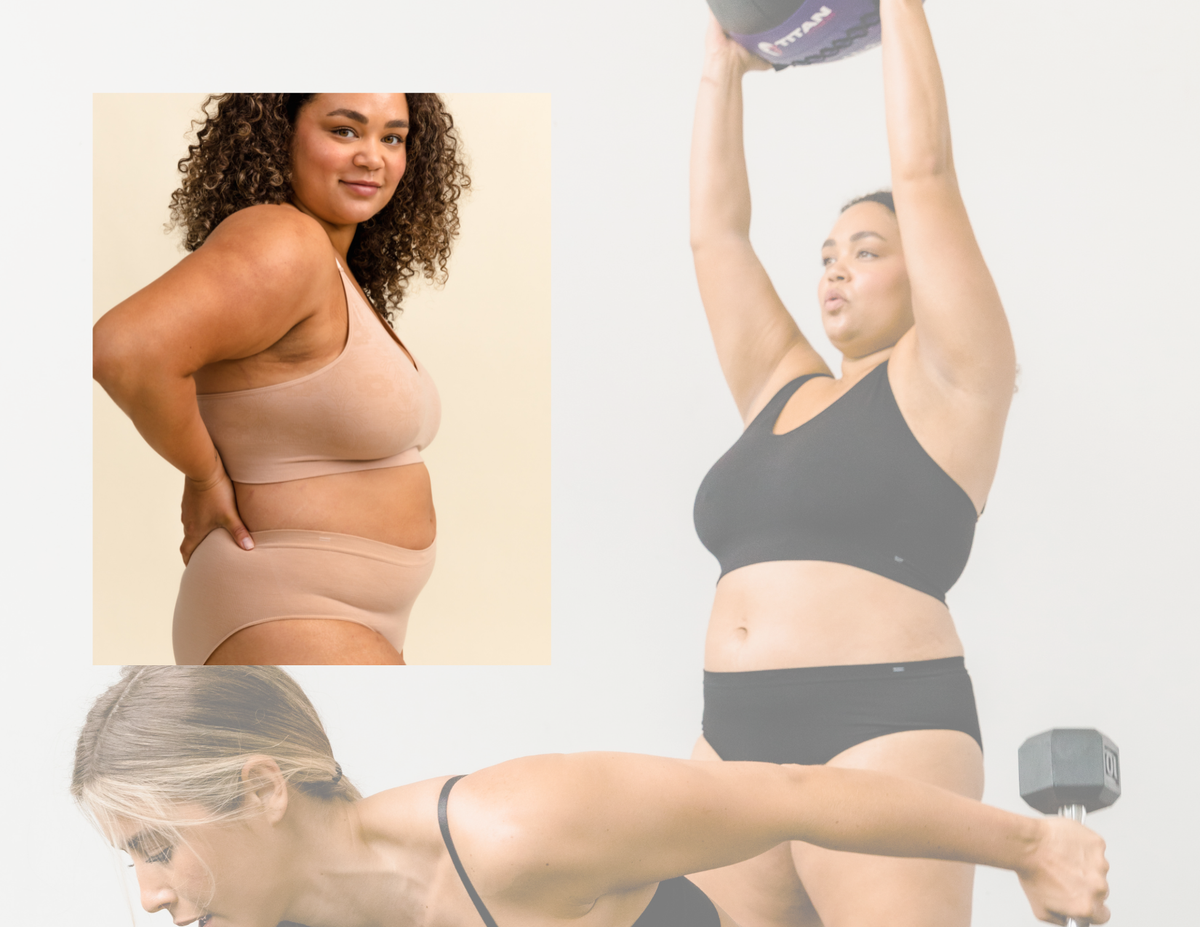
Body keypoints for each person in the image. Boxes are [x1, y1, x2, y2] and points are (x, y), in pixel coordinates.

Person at [687, 2, 1018, 922]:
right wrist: (723, 69)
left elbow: (926, 171)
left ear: (928, 273)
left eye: (867, 251)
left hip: (884, 728)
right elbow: (716, 237)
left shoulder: (955, 378)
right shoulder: (780, 388)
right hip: (731, 741)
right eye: (827, 255)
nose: (835, 270)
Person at [73, 666, 1109, 927]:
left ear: (261, 789)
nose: (151, 896)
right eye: (132, 859)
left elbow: (797, 794)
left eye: (157, 845)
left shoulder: (518, 833)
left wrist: (1028, 848)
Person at [92, 94, 469, 666]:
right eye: (345, 131)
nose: (373, 157)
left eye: (393, 137)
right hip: (289, 606)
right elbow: (124, 350)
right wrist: (204, 475)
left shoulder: (332, 264)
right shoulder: (285, 240)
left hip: (328, 612)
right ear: (279, 135)